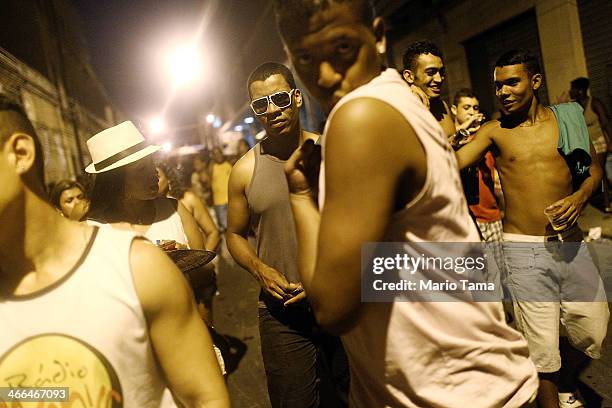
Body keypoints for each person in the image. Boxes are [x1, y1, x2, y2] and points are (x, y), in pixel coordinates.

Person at [273, 1, 538, 407]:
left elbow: (331, 309)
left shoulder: (361, 116)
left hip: (459, 393)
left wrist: (300, 197)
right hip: (468, 385)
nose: (324, 75)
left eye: (342, 49)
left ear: (378, 36)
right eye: (306, 57)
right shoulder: (398, 99)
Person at [0, 97, 229, 407]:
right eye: (140, 169)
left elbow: (205, 397)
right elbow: (41, 394)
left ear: (20, 154)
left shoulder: (136, 264)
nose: (153, 175)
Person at [456, 50, 609, 408]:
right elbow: (454, 162)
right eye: (498, 85)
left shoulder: (567, 119)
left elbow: (594, 171)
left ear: (535, 82)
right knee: (541, 348)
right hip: (523, 248)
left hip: (569, 241)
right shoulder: (494, 131)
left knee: (594, 326)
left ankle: (567, 380)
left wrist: (580, 197)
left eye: (512, 82)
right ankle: (551, 395)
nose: (503, 92)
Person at [227, 62, 348, 408]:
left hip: (340, 297)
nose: (272, 110)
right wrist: (259, 269)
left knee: (355, 395)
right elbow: (233, 235)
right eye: (261, 105)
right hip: (281, 312)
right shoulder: (244, 171)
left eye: (279, 98)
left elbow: (358, 224)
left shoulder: (329, 152)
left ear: (296, 98)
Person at [451, 88, 503, 242]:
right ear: (454, 110)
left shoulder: (483, 138)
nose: (471, 112)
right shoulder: (452, 138)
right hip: (465, 218)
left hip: (491, 216)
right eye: (466, 108)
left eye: (475, 108)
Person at [570, 77, 611, 212]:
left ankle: (606, 203)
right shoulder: (575, 106)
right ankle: (604, 201)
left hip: (598, 142)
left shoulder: (594, 103)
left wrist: (611, 141)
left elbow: (605, 122)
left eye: (573, 89)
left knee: (598, 171)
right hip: (585, 144)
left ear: (581, 90)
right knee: (591, 173)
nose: (571, 92)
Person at [402, 40, 456, 136]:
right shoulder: (403, 109)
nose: (439, 79)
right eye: (430, 72)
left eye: (441, 72)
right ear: (409, 76)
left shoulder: (442, 105)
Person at [209, 148, 232, 232]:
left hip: (231, 199)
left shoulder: (228, 164)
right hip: (219, 202)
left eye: (219, 153)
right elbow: (207, 181)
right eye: (215, 154)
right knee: (225, 227)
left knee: (234, 224)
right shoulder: (212, 167)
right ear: (213, 156)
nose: (218, 155)